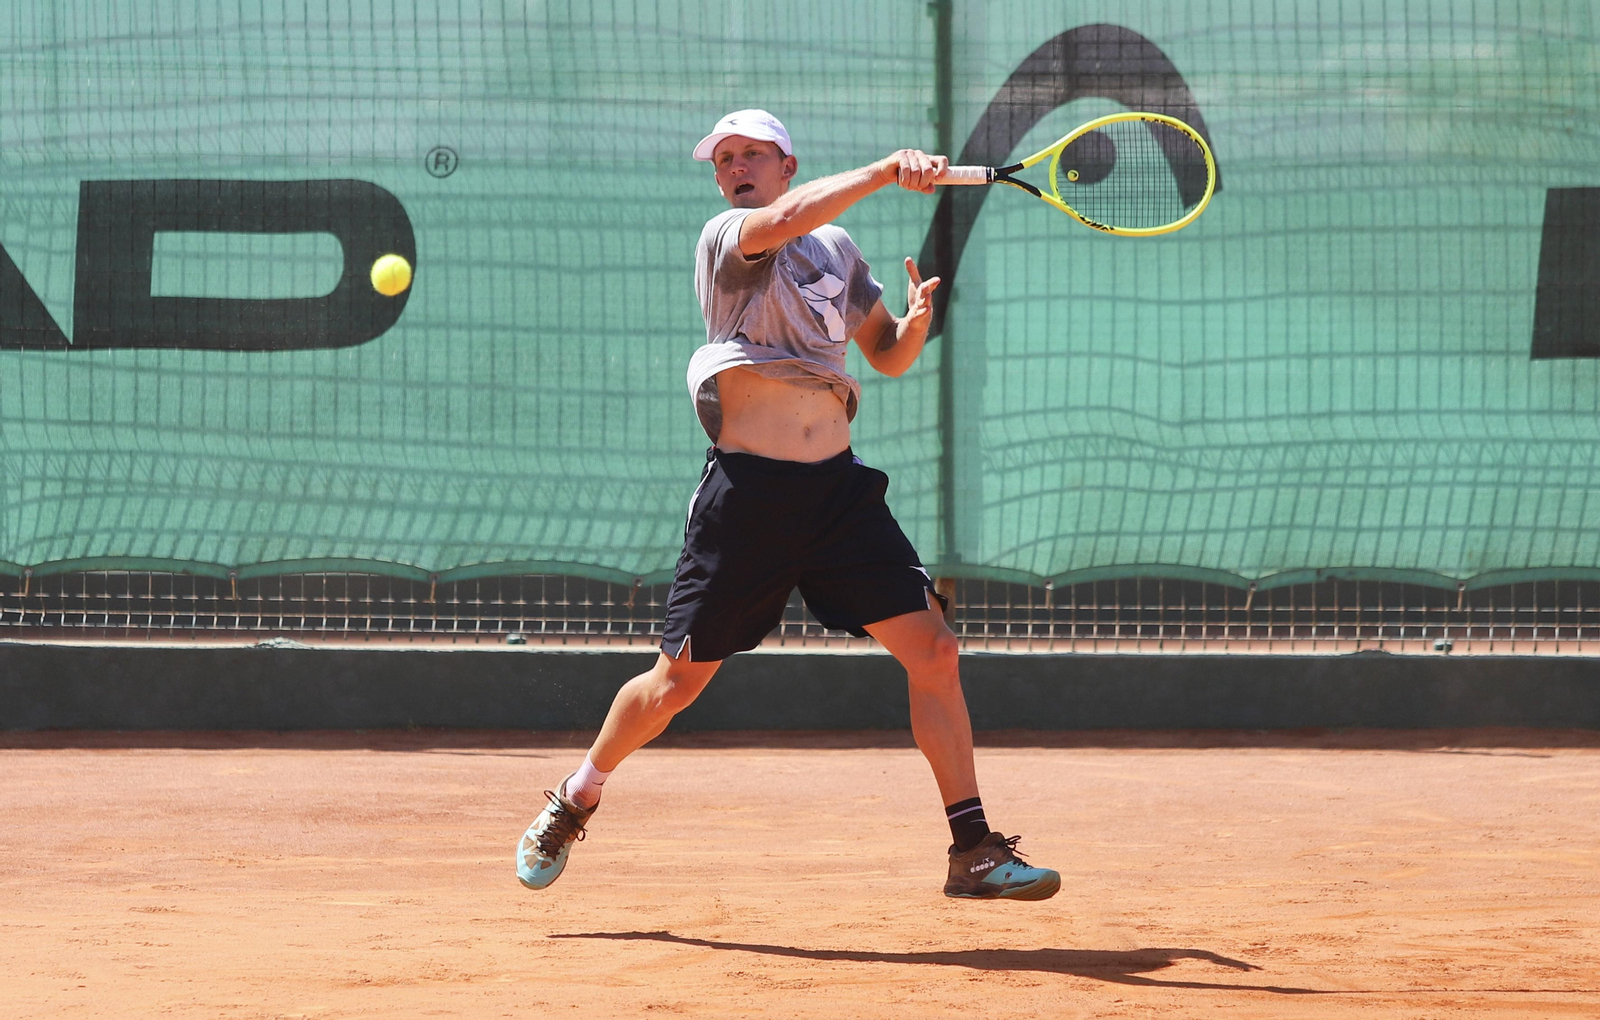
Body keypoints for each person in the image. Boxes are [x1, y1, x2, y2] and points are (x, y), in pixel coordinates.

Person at [517, 109, 1059, 901]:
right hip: (749, 498)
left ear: (787, 161)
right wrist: (882, 171)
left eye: (751, 154)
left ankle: (972, 849)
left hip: (837, 495)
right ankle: (577, 796)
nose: (734, 165)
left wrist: (912, 326)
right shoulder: (731, 235)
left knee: (935, 653)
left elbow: (885, 356)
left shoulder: (837, 251)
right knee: (675, 686)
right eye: (724, 157)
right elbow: (785, 219)